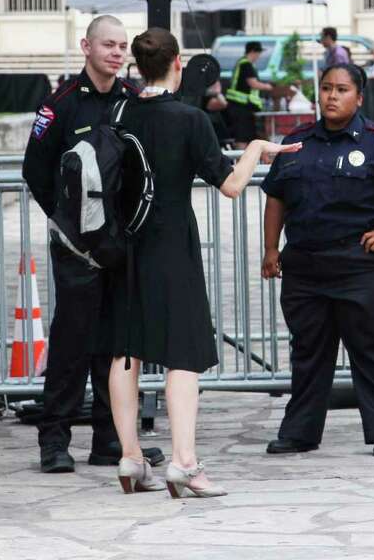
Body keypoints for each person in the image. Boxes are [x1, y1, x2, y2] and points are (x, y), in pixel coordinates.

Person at [103, 29, 299, 498]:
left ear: (137, 64)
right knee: (182, 355)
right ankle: (184, 463)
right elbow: (230, 186)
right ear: (177, 63)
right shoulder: (189, 119)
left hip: (122, 245)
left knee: (124, 351)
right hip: (172, 244)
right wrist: (255, 149)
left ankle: (130, 458)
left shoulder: (118, 112)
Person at [260, 63, 374, 457]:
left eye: (342, 90)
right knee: (308, 352)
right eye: (326, 88)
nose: (332, 96)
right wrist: (270, 249)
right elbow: (276, 197)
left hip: (360, 266)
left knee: (371, 350)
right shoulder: (297, 141)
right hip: (305, 265)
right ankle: (300, 432)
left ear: (359, 97)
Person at [21, 15, 162, 475]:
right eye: (108, 45)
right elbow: (35, 171)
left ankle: (112, 440)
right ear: (86, 46)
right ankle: (54, 440)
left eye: (123, 46)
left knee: (117, 343)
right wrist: (69, 224)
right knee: (71, 344)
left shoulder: (134, 102)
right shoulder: (61, 104)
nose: (117, 53)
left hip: (123, 245)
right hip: (78, 248)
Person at [224, 40, 273, 149]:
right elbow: (253, 84)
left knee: (245, 136)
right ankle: (241, 162)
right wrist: (267, 87)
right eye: (259, 53)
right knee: (242, 137)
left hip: (241, 106)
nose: (259, 56)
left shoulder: (242, 63)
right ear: (253, 52)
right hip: (241, 107)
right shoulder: (246, 64)